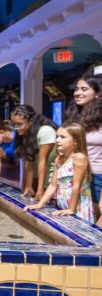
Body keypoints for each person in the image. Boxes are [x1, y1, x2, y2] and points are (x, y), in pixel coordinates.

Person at [24, 122, 95, 223]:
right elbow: (53, 185)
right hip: (63, 205)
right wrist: (40, 204)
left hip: (77, 207)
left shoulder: (79, 158)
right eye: (57, 136)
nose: (57, 140)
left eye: (62, 137)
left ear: (75, 141)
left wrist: (71, 209)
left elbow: (76, 186)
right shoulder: (59, 159)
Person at [65, 74, 102, 225]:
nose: (78, 93)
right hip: (78, 174)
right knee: (85, 217)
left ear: (98, 94)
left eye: (84, 89)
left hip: (98, 175)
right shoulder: (74, 117)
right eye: (77, 89)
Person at [10, 104, 57, 200]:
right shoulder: (26, 133)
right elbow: (29, 160)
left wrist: (40, 190)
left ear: (31, 121)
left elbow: (42, 161)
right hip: (46, 178)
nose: (16, 128)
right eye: (14, 124)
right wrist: (28, 186)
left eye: (19, 124)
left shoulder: (45, 131)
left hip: (54, 180)